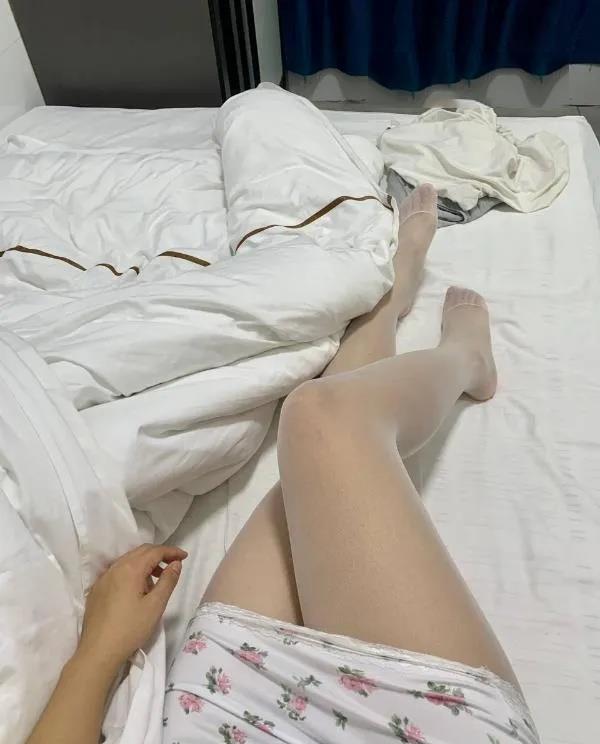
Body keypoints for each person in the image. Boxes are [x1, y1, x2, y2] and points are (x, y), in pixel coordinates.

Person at [26, 185, 539, 744]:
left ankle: (391, 301)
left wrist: (99, 652)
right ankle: (464, 357)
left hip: (220, 716)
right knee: (322, 421)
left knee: (314, 467)